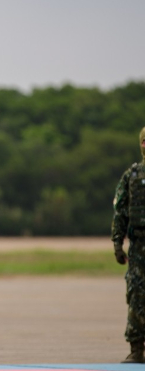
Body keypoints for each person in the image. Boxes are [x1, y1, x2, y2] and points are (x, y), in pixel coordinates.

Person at [111, 126, 145, 364]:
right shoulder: (132, 176)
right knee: (136, 296)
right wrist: (117, 244)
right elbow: (120, 211)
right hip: (139, 247)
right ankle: (136, 350)